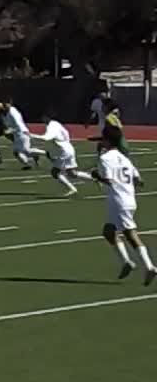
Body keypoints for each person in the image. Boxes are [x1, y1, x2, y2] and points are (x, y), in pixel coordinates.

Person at [91, 126, 155, 286]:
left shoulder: (106, 159)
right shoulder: (124, 158)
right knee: (109, 231)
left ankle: (149, 266)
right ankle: (126, 262)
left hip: (119, 200)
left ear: (106, 141)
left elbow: (109, 180)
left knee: (130, 234)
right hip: (127, 199)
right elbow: (138, 179)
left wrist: (96, 175)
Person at [34, 109, 93, 196]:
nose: (42, 119)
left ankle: (72, 189)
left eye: (43, 117)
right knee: (72, 173)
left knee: (55, 172)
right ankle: (94, 178)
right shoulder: (57, 124)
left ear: (47, 117)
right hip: (69, 149)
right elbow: (66, 133)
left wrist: (31, 135)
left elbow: (46, 138)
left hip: (64, 152)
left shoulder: (51, 126)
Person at [0, 100, 44, 170]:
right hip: (17, 135)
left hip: (22, 133)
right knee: (17, 152)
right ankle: (29, 164)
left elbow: (18, 125)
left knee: (25, 151)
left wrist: (10, 130)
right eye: (4, 104)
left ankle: (45, 153)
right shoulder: (7, 113)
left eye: (6, 104)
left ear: (10, 104)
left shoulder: (13, 112)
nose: (4, 105)